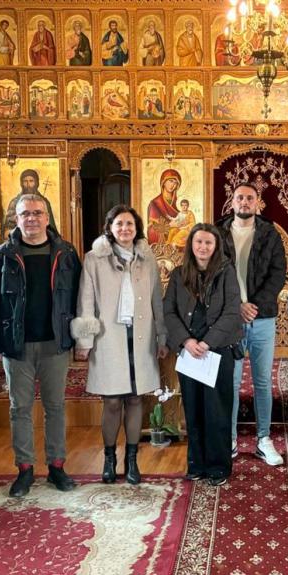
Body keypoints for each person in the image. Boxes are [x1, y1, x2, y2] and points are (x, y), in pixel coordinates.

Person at [0, 194, 82, 498]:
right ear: (17, 218)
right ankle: (24, 469)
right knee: (20, 408)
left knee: (55, 407)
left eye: (38, 213)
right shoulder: (2, 255)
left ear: (47, 218)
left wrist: (80, 338)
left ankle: (56, 466)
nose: (32, 218)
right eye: (25, 213)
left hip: (55, 343)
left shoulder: (66, 253)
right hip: (17, 346)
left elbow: (80, 298)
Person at [72, 206, 168, 485]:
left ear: (137, 228)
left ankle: (133, 459)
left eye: (129, 224)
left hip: (141, 336)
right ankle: (109, 458)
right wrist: (85, 340)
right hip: (108, 337)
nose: (125, 229)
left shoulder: (147, 258)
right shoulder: (94, 258)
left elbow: (157, 300)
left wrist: (162, 336)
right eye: (119, 224)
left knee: (136, 398)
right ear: (110, 227)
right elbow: (85, 300)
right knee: (112, 400)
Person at [164, 224, 242, 485]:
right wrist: (186, 341)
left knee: (217, 410)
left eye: (209, 242)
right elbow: (169, 311)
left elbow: (232, 312)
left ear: (216, 246)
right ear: (191, 244)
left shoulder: (226, 272)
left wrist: (207, 343)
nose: (203, 247)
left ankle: (218, 467)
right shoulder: (179, 274)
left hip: (217, 351)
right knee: (193, 409)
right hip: (189, 352)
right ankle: (196, 464)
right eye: (199, 242)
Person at [217, 183, 288, 466]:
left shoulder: (270, 233)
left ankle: (263, 439)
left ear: (258, 202)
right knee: (231, 381)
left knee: (262, 380)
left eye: (249, 198)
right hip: (229, 319)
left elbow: (278, 273)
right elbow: (212, 274)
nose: (244, 202)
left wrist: (254, 305)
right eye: (240, 197)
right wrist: (236, 306)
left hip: (263, 317)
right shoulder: (218, 233)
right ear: (232, 201)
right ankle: (230, 439)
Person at [3, 169, 56, 233]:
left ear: (36, 183)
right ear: (21, 183)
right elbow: (8, 230)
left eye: (31, 181)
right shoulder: (15, 202)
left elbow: (51, 229)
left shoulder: (44, 202)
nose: (28, 184)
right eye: (25, 181)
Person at [147, 168, 182, 244]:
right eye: (171, 181)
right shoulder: (155, 203)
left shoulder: (178, 203)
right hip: (162, 243)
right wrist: (169, 226)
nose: (173, 185)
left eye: (175, 183)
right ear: (163, 182)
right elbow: (151, 229)